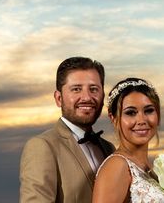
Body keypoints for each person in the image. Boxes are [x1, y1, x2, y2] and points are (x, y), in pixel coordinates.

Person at [20, 56, 115, 203]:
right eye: (76, 89)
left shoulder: (109, 149)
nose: (86, 97)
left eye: (94, 89)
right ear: (59, 98)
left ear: (102, 96)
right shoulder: (42, 146)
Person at [92, 77, 164, 203]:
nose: (142, 120)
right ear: (114, 118)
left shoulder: (149, 167)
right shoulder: (117, 166)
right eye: (131, 113)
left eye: (149, 111)